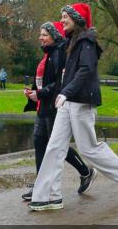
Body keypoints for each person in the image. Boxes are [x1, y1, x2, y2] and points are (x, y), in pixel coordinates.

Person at [29, 3, 118, 211]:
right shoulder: (72, 42)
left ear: (77, 19)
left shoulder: (87, 41)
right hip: (68, 103)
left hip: (82, 102)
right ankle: (49, 195)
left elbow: (86, 70)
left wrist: (65, 92)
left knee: (88, 149)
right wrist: (59, 94)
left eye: (65, 16)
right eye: (61, 16)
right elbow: (67, 75)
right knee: (54, 146)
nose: (61, 20)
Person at [21, 21, 93, 202]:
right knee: (40, 144)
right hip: (42, 107)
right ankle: (40, 185)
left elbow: (59, 83)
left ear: (54, 35)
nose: (40, 37)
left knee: (57, 146)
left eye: (44, 34)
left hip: (54, 106)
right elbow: (43, 80)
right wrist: (32, 92)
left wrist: (41, 93)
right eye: (41, 34)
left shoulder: (60, 52)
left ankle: (86, 172)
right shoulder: (48, 53)